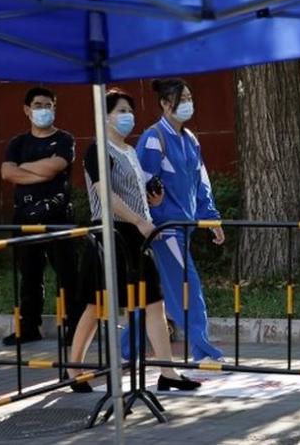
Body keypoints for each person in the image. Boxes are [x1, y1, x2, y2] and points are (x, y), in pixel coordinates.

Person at [67, 88, 200, 392]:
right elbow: (105, 195)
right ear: (105, 116)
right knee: (97, 304)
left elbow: (133, 193)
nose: (128, 117)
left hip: (137, 235)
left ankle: (168, 373)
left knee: (154, 302)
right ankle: (74, 368)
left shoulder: (129, 151)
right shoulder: (97, 151)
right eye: (121, 111)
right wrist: (140, 219)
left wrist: (151, 203)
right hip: (110, 233)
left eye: (130, 111)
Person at [131, 77, 226, 362]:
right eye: (180, 99)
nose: (187, 104)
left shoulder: (189, 139)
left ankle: (126, 349)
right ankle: (202, 349)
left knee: (153, 297)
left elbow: (201, 181)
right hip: (165, 230)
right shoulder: (153, 139)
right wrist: (153, 221)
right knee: (188, 287)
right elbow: (142, 187)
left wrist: (211, 218)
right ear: (164, 103)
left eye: (188, 98)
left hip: (182, 227)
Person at [0, 86, 84, 346]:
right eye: (38, 105)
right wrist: (38, 170)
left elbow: (55, 168)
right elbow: (7, 173)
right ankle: (28, 328)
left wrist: (24, 169)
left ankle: (75, 328)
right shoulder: (18, 143)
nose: (43, 110)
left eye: (48, 105)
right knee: (29, 275)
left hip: (57, 215)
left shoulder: (64, 139)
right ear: (27, 110)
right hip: (24, 215)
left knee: (67, 274)